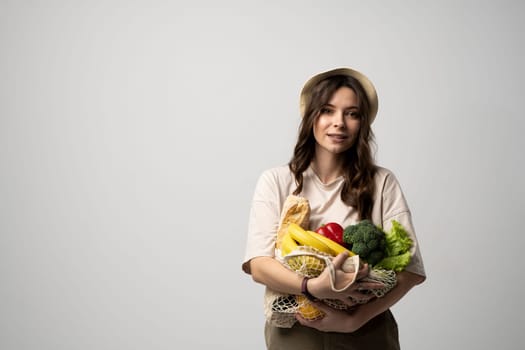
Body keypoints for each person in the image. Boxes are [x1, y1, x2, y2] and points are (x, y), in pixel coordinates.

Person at [242, 67, 426, 349]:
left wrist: (354, 320)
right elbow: (258, 265)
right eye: (327, 110)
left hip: (367, 330)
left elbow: (411, 269)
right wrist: (311, 286)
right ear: (311, 117)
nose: (339, 122)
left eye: (352, 113)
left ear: (362, 123)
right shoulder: (277, 181)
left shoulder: (381, 182)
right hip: (295, 329)